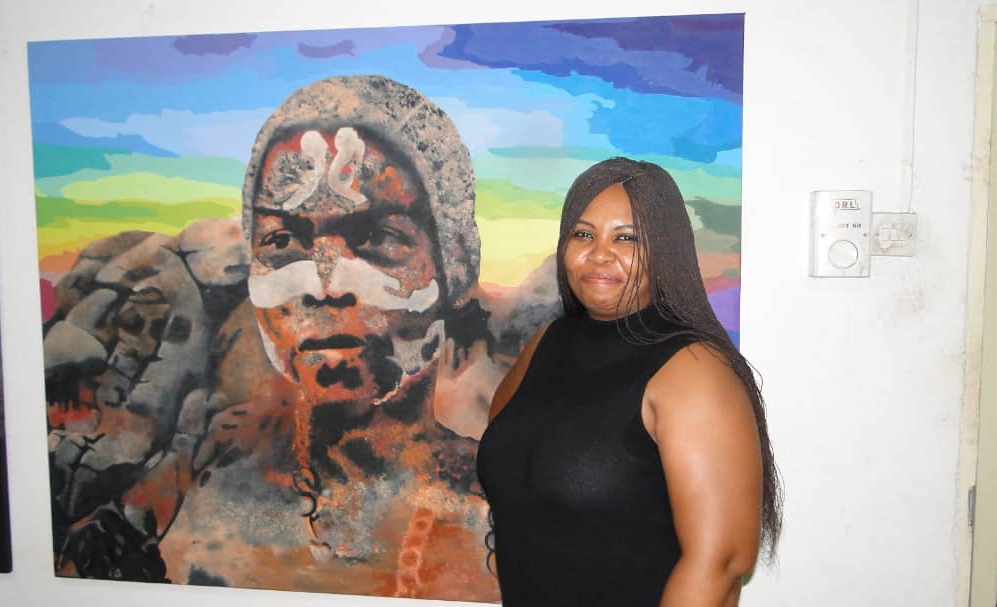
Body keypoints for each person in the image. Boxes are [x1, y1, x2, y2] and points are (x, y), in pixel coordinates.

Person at [43, 75, 523, 601]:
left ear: (455, 264)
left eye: (377, 236)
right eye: (282, 240)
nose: (324, 284)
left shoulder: (500, 505)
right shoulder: (186, 485)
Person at [477, 157, 781, 606]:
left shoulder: (695, 370)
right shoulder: (546, 342)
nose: (600, 253)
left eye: (626, 238)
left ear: (665, 250)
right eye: (584, 235)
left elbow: (720, 564)